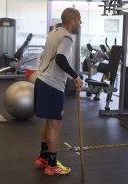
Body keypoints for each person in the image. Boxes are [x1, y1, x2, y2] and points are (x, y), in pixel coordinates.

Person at [34, 7, 83, 175]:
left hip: (42, 81)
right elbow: (61, 59)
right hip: (52, 85)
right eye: (79, 20)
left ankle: (43, 157)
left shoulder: (54, 32)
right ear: (72, 21)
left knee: (49, 122)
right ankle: (52, 165)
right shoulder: (67, 37)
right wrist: (76, 76)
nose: (80, 23)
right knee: (55, 125)